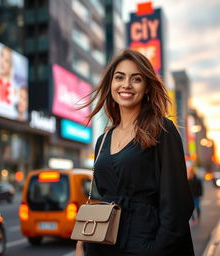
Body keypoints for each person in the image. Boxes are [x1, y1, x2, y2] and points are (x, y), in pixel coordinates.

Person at [75, 49, 194, 256]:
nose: (126, 85)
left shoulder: (162, 130)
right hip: (103, 244)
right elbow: (99, 198)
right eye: (119, 77)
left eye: (136, 79)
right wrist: (83, 244)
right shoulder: (102, 141)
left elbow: (177, 204)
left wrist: (157, 249)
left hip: (146, 243)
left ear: (147, 87)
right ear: (111, 84)